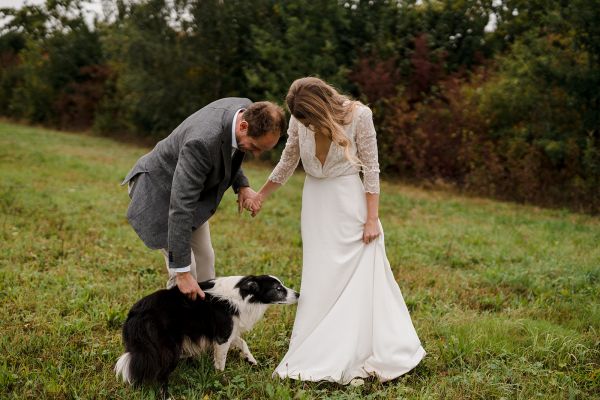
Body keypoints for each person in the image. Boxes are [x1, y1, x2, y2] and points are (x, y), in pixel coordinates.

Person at [244, 78, 425, 384]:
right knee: (321, 275)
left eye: (309, 120)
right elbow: (289, 160)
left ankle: (359, 346)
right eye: (301, 122)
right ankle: (316, 341)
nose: (305, 125)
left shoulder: (360, 116)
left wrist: (372, 219)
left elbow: (372, 167)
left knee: (358, 274)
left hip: (350, 204)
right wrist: (261, 194)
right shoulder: (299, 120)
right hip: (316, 205)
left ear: (321, 110)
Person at [122, 98, 285, 300]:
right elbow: (180, 206)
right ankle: (179, 328)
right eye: (254, 147)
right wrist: (182, 273)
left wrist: (242, 185)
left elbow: (229, 152)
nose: (257, 154)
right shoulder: (201, 143)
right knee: (186, 273)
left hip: (190, 192)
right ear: (243, 125)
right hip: (159, 192)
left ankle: (208, 328)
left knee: (205, 261)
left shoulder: (246, 110)